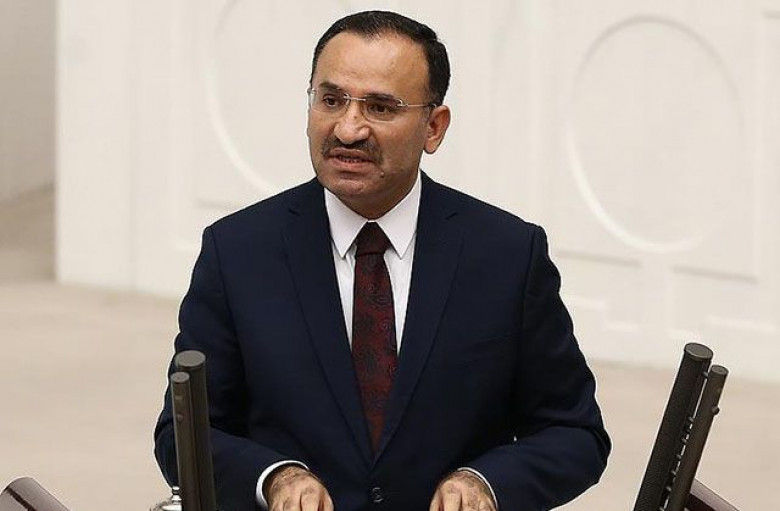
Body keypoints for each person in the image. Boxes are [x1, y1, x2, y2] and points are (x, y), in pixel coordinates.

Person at [154, 10, 610, 511]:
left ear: (433, 127)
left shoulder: (507, 255)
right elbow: (183, 434)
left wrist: (485, 483)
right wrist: (273, 479)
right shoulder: (238, 251)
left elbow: (575, 432)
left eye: (380, 107)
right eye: (331, 100)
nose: (348, 129)